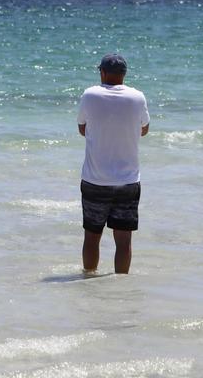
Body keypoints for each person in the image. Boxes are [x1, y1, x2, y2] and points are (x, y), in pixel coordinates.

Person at [77, 53, 149, 275]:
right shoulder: (138, 97)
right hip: (127, 181)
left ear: (102, 73)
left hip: (94, 180)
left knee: (92, 236)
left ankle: (88, 279)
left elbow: (82, 128)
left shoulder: (90, 95)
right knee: (123, 240)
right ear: (124, 75)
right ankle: (121, 287)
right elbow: (144, 129)